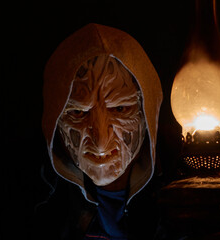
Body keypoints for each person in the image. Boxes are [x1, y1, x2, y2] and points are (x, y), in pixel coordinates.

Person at [35, 23, 163, 240]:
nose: (101, 142)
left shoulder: (184, 195)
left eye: (120, 109)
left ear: (147, 111)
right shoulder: (31, 200)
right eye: (77, 112)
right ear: (54, 120)